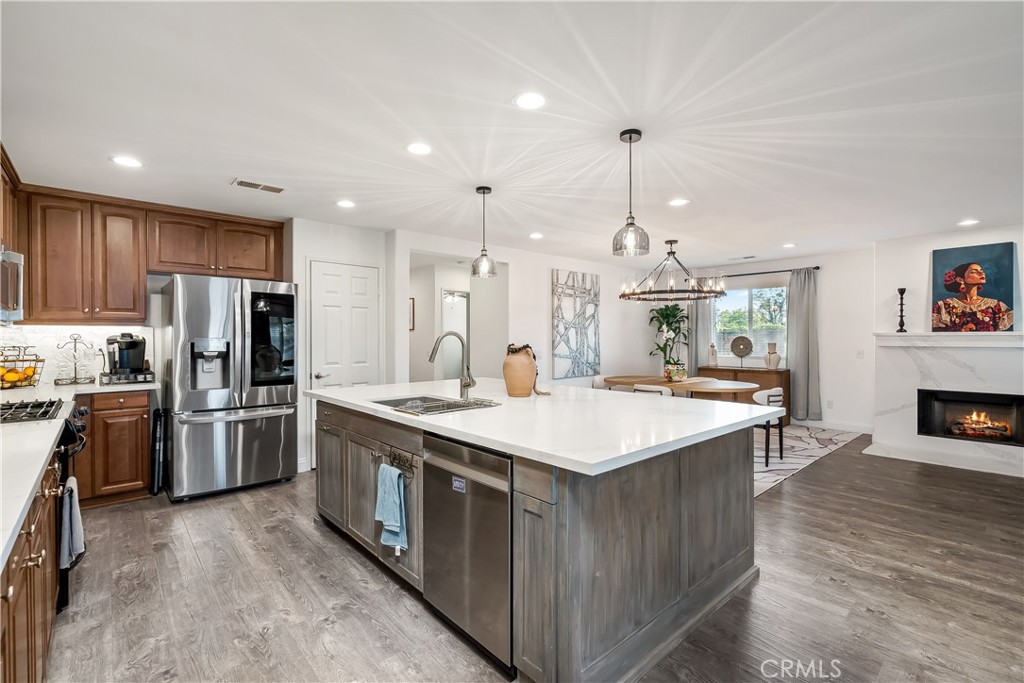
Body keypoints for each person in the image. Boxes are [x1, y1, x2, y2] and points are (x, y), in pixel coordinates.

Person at [932, 262, 1014, 332]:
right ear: (960, 279)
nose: (981, 273)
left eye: (982, 271)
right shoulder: (943, 306)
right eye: (974, 272)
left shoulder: (995, 306)